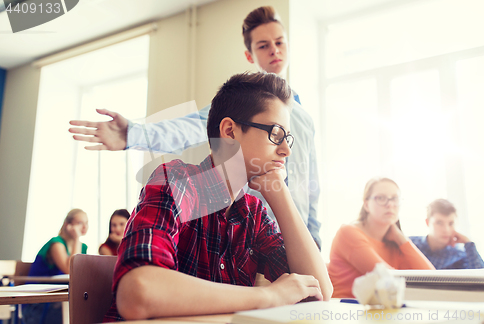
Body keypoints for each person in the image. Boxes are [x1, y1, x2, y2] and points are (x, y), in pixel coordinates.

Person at [68, 6, 322, 249]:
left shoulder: (305, 120)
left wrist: (314, 241)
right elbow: (186, 128)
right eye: (263, 46)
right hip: (254, 242)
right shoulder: (241, 107)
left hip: (298, 241)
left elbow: (311, 184)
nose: (274, 51)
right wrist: (133, 134)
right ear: (250, 55)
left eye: (279, 42)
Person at [102, 72, 332, 321]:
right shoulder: (176, 182)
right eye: (276, 134)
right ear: (230, 131)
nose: (286, 149)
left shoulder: (253, 212)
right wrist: (269, 297)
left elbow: (319, 290)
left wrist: (279, 193)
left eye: (287, 138)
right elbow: (138, 293)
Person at [327, 178, 434, 298]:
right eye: (381, 198)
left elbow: (432, 279)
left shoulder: (395, 242)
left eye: (395, 198)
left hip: (380, 310)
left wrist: (402, 239)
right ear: (366, 205)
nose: (390, 204)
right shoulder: (348, 233)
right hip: (346, 309)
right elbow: (390, 280)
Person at [23, 208, 89, 324]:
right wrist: (77, 238)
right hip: (39, 301)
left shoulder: (82, 247)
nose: (84, 227)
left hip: (58, 299)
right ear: (68, 225)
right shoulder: (56, 243)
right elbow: (70, 270)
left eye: (86, 223)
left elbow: (82, 273)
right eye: (79, 223)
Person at [409, 199, 484, 270]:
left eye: (451, 223)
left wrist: (468, 243)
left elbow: (482, 280)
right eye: (439, 223)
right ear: (428, 222)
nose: (446, 230)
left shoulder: (459, 255)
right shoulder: (409, 244)